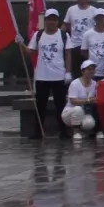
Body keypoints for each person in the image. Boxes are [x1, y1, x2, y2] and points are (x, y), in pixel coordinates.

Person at [22, 8, 72, 139]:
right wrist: (20, 43)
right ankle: (38, 132)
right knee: (40, 105)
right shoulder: (38, 35)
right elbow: (30, 52)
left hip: (58, 75)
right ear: (45, 21)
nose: (51, 22)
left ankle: (64, 131)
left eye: (54, 19)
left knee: (60, 105)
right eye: (49, 19)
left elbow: (68, 54)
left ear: (57, 21)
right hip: (42, 76)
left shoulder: (63, 35)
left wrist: (68, 72)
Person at [63, 60, 102, 141]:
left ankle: (82, 131)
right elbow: (73, 101)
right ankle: (75, 131)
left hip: (84, 112)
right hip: (69, 112)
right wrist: (87, 101)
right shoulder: (75, 83)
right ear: (83, 71)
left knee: (89, 123)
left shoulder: (95, 84)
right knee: (78, 109)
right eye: (88, 69)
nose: (91, 71)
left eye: (93, 69)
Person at [63, 0, 97, 77]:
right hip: (75, 46)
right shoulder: (71, 9)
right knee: (76, 72)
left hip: (89, 47)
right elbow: (66, 25)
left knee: (89, 71)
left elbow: (97, 27)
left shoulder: (94, 10)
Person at [81, 9, 104, 81]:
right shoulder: (87, 34)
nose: (100, 19)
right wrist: (92, 59)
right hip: (93, 72)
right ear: (94, 19)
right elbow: (83, 51)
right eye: (98, 17)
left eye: (102, 17)